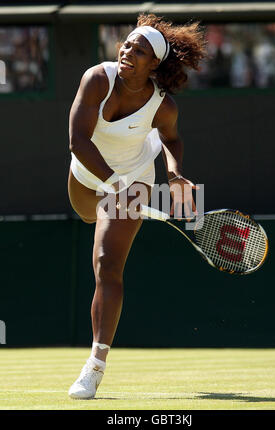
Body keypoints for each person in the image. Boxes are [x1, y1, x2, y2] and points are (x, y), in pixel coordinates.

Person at [67, 13, 206, 399]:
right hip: (87, 174)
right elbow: (78, 141)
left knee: (106, 265)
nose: (128, 50)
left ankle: (94, 366)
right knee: (85, 213)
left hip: (136, 178)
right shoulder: (98, 78)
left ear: (154, 64)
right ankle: (105, 205)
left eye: (139, 50)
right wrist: (112, 186)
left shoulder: (164, 106)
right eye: (127, 43)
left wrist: (174, 174)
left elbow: (171, 141)